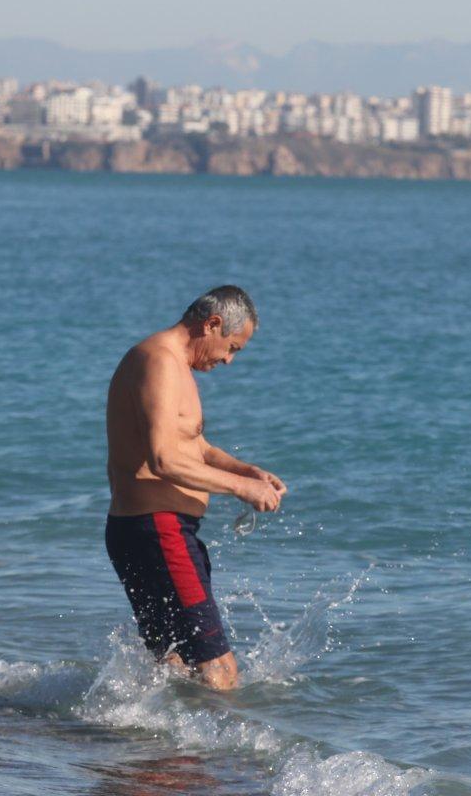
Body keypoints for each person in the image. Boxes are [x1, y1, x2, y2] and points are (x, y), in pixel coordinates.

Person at [105, 285, 286, 690]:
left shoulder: (171, 364)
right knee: (220, 668)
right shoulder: (159, 362)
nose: (229, 360)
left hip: (146, 530)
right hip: (159, 529)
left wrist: (248, 471)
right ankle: (226, 735)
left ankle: (151, 736)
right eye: (232, 347)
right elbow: (164, 460)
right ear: (213, 324)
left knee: (175, 666)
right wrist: (241, 489)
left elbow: (195, 446)